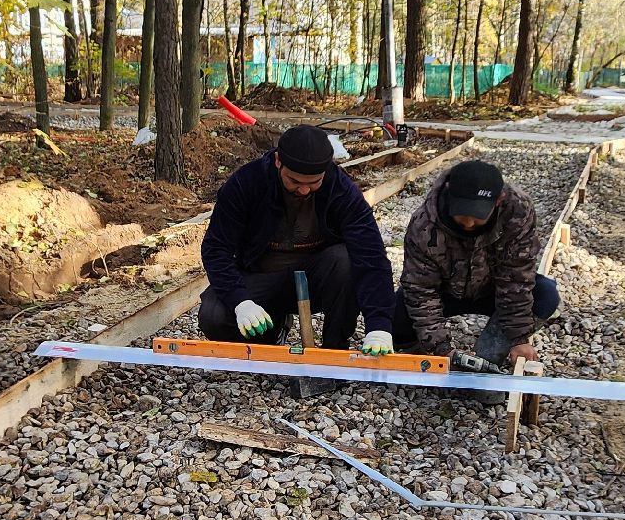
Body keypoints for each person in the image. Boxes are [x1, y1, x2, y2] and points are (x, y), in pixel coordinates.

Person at [198, 125, 396, 364]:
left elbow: (371, 256)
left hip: (317, 279)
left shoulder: (342, 191)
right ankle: (270, 333)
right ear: (278, 161)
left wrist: (380, 325)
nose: (303, 190)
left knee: (345, 261)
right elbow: (216, 249)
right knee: (214, 315)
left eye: (314, 183)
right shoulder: (246, 183)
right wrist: (241, 302)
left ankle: (334, 352)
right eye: (294, 181)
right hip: (262, 278)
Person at [391, 159, 558, 372]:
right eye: (462, 215)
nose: (469, 224)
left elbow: (516, 277)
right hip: (446, 292)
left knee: (546, 294)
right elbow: (420, 290)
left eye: (477, 216)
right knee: (393, 315)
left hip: (493, 291)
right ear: (449, 192)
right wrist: (442, 350)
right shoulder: (424, 223)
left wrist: (519, 338)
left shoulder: (518, 211)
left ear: (498, 200)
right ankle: (421, 349)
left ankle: (488, 357)